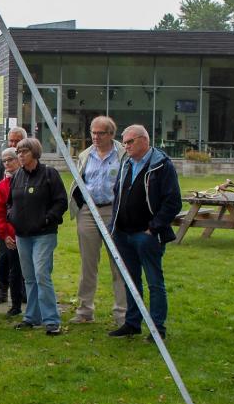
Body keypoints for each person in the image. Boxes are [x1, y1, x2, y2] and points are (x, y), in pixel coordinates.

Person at [108, 125, 181, 340]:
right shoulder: (126, 163)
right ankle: (132, 323)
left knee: (154, 282)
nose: (126, 146)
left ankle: (158, 327)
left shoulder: (162, 166)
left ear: (144, 140)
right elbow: (118, 195)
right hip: (123, 233)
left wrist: (154, 227)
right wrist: (114, 226)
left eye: (130, 142)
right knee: (130, 280)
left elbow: (173, 201)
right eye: (125, 142)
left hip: (146, 235)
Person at [68, 116, 127, 326]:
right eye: (93, 132)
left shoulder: (122, 155)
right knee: (88, 264)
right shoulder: (86, 155)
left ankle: (122, 313)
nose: (95, 137)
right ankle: (85, 311)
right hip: (88, 212)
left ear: (111, 134)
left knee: (119, 263)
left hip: (114, 212)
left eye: (100, 133)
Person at [9, 138, 67, 335]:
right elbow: (10, 202)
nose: (20, 156)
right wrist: (12, 216)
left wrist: (47, 219)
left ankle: (51, 320)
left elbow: (61, 201)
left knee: (42, 274)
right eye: (18, 152)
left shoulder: (49, 174)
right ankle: (31, 317)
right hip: (22, 235)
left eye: (24, 152)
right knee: (29, 277)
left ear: (34, 152)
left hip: (44, 234)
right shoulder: (17, 176)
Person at [0, 126, 28, 305]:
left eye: (17, 140)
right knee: (4, 256)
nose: (13, 143)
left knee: (24, 257)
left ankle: (23, 290)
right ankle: (2, 288)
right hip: (3, 221)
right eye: (11, 140)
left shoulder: (28, 166)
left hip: (24, 223)